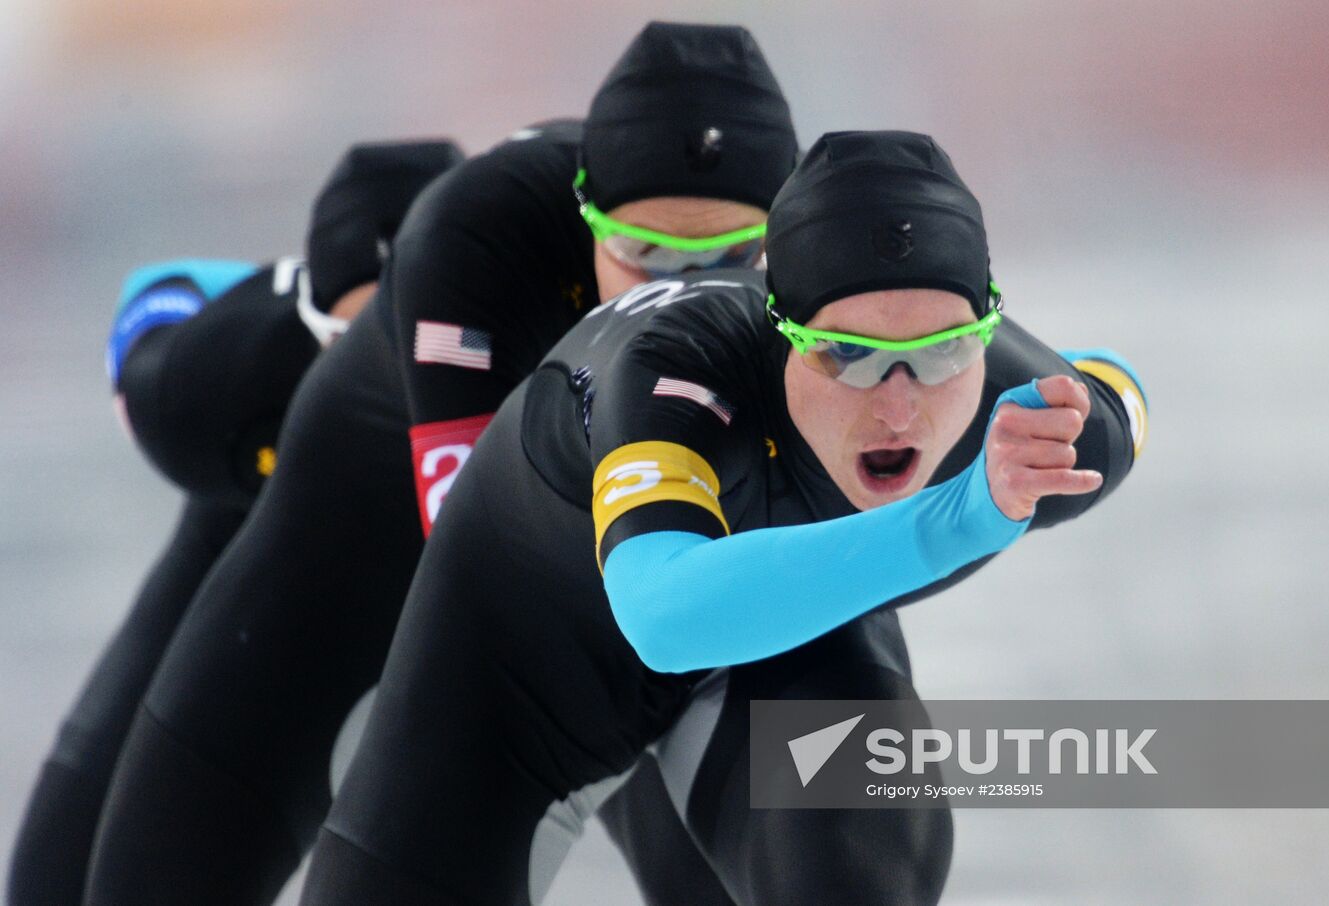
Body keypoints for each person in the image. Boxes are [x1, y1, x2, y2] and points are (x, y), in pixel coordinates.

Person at [297, 130, 1149, 905]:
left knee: (859, 866)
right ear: (779, 338)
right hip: (527, 668)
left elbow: (1113, 384)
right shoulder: (672, 368)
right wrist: (956, 519)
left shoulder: (1037, 426)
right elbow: (664, 616)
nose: (901, 406)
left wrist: (1066, 406)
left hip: (778, 642)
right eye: (850, 357)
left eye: (942, 354)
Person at [84, 23, 799, 906]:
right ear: (585, 216)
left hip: (612, 558)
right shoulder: (474, 233)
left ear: (790, 240)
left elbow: (998, 413)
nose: (681, 292)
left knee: (806, 831)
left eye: (731, 260)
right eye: (646, 256)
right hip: (358, 535)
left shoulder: (838, 285)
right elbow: (488, 579)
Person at [5, 140, 463, 906]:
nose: (382, 386)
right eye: (353, 350)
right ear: (308, 324)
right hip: (270, 592)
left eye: (413, 350)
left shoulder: (551, 346)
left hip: (513, 634)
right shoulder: (212, 384)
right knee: (58, 880)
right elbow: (157, 295)